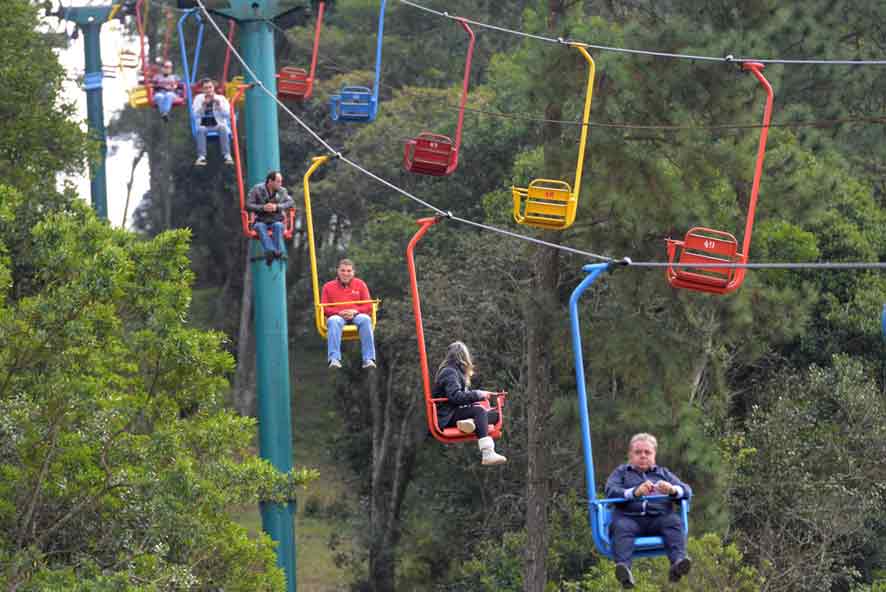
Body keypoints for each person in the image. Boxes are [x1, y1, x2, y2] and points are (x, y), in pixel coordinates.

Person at [604, 433, 692, 589]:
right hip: (629, 518)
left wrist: (672, 490)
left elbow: (687, 491)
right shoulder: (622, 472)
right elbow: (610, 490)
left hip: (659, 518)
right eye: (638, 452)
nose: (643, 456)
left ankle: (678, 563)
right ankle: (624, 570)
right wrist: (634, 492)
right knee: (621, 527)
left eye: (647, 452)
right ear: (630, 455)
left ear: (654, 455)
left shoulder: (662, 473)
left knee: (673, 522)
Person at [432, 341, 506, 466]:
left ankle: (471, 422)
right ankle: (487, 452)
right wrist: (477, 394)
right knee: (479, 411)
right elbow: (456, 396)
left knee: (495, 415)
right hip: (447, 415)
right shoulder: (449, 372)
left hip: (455, 411)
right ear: (463, 357)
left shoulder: (455, 372)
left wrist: (480, 394)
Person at [320, 259, 376, 369]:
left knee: (365, 319)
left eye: (349, 271)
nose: (346, 274)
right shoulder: (328, 287)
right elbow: (324, 308)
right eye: (343, 270)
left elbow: (369, 306)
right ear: (338, 271)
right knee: (333, 321)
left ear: (353, 272)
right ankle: (334, 359)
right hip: (338, 316)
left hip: (356, 315)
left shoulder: (360, 284)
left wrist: (355, 311)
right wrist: (339, 312)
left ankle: (368, 359)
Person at [246, 170, 294, 265]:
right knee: (260, 227)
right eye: (278, 181)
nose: (280, 184)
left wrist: (277, 207)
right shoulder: (257, 189)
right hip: (261, 219)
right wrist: (263, 208)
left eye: (281, 181)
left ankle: (270, 253)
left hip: (276, 219)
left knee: (278, 226)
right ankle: (273, 251)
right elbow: (248, 205)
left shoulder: (282, 191)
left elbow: (290, 203)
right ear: (270, 181)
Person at [190, 78, 233, 166]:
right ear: (202, 90)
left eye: (210, 87)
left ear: (213, 88)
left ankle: (227, 155)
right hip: (204, 124)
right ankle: (201, 157)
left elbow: (228, 115)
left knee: (223, 127)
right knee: (201, 129)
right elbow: (194, 115)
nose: (208, 90)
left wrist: (219, 106)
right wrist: (203, 106)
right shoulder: (198, 99)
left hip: (217, 124)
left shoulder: (221, 98)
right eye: (206, 88)